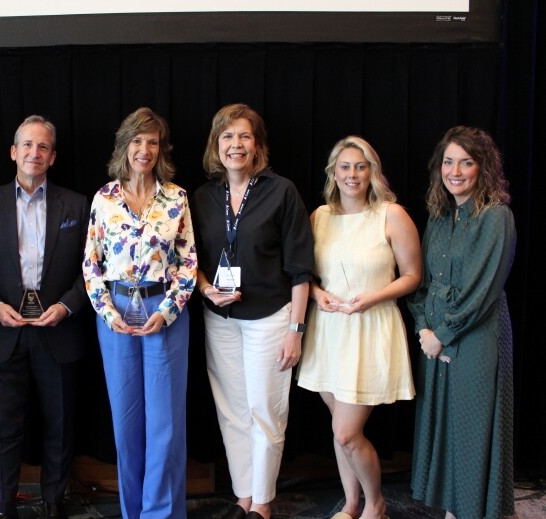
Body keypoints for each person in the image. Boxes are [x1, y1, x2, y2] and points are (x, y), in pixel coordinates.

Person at [191, 103, 314, 519]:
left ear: (257, 145)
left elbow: (301, 269)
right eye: (227, 136)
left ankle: (262, 503)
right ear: (216, 145)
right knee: (232, 412)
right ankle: (244, 495)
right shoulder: (204, 197)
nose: (235, 144)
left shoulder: (282, 192)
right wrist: (207, 290)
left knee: (265, 411)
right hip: (220, 320)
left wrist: (296, 328)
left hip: (271, 319)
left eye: (244, 136)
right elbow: (192, 261)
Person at [0, 115, 89, 519]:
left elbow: (91, 268)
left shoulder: (76, 204)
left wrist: (67, 305)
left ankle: (55, 501)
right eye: (27, 145)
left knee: (59, 424)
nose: (34, 153)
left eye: (42, 147)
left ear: (52, 157)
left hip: (59, 330)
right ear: (13, 152)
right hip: (5, 333)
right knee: (4, 427)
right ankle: (5, 503)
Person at [295, 136, 421, 519]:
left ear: (372, 172)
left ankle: (376, 504)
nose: (352, 174)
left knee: (347, 432)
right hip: (329, 332)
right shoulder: (319, 216)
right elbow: (306, 275)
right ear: (334, 172)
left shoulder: (391, 214)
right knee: (339, 428)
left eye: (360, 166)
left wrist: (373, 297)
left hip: (370, 329)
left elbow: (413, 276)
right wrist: (316, 295)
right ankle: (351, 505)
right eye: (345, 167)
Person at [82, 107, 197, 519]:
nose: (144, 150)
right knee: (126, 423)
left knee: (164, 423)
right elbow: (90, 263)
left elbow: (188, 264)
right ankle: (134, 512)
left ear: (160, 149)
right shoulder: (104, 198)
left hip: (162, 309)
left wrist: (166, 311)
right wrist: (105, 311)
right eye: (136, 141)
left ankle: (161, 514)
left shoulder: (177, 197)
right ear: (124, 146)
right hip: (115, 313)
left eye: (151, 141)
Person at [407, 126, 516, 519]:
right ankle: (453, 510)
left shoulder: (496, 216)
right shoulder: (439, 217)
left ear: (482, 168)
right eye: (448, 162)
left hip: (475, 338)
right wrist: (423, 328)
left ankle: (474, 511)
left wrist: (444, 336)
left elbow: (482, 291)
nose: (455, 171)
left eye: (466, 162)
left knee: (471, 430)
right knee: (444, 428)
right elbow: (421, 281)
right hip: (433, 338)